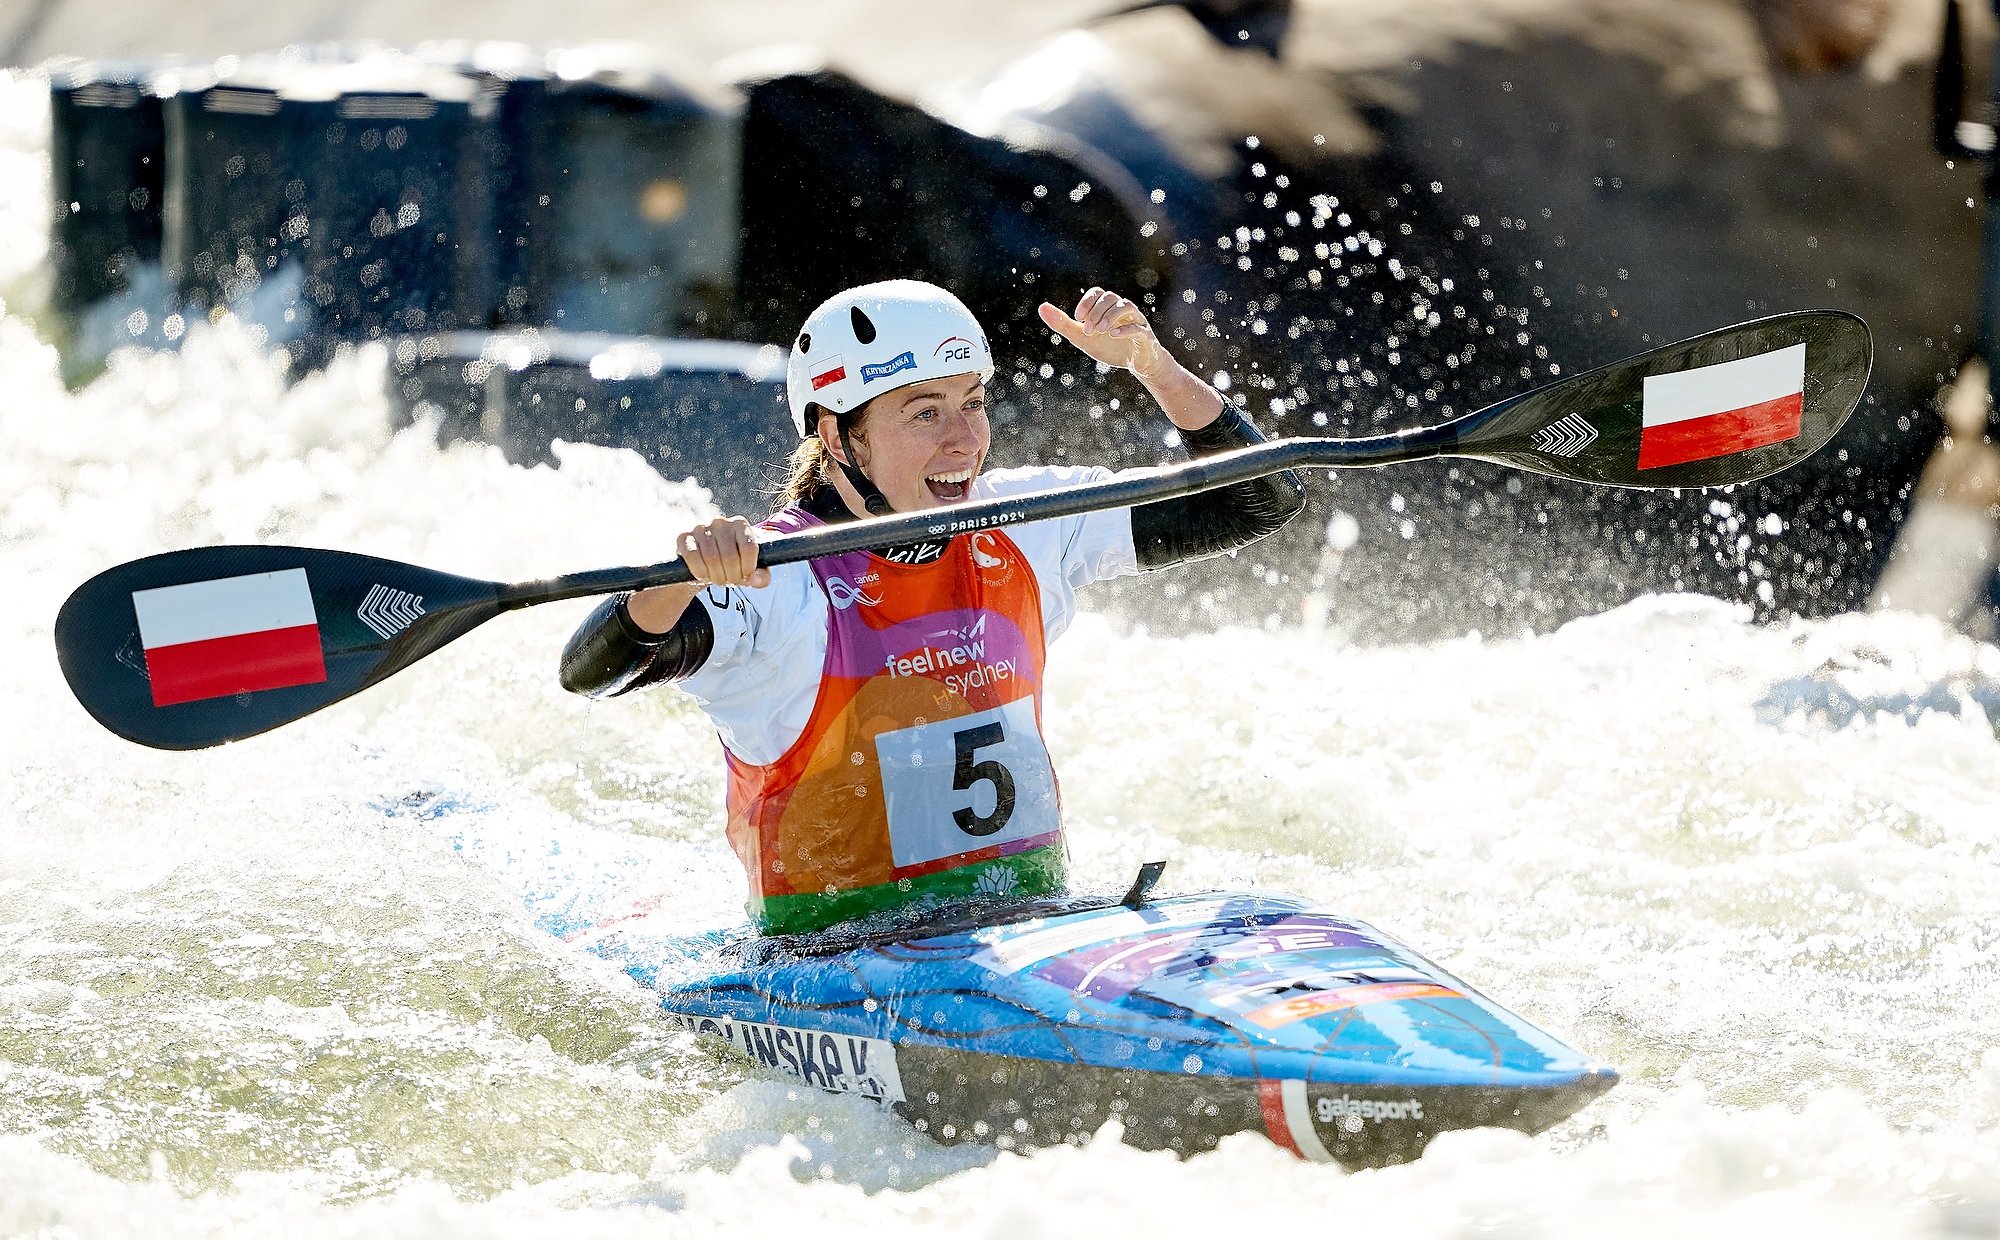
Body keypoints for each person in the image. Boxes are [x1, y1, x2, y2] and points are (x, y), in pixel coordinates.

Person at [561, 280, 1304, 935]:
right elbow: (589, 673)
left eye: (973, 404)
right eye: (925, 414)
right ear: (839, 437)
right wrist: (677, 581)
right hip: (835, 959)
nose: (965, 440)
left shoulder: (1025, 521)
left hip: (1025, 926)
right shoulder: (774, 579)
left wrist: (1150, 363)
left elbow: (1259, 500)